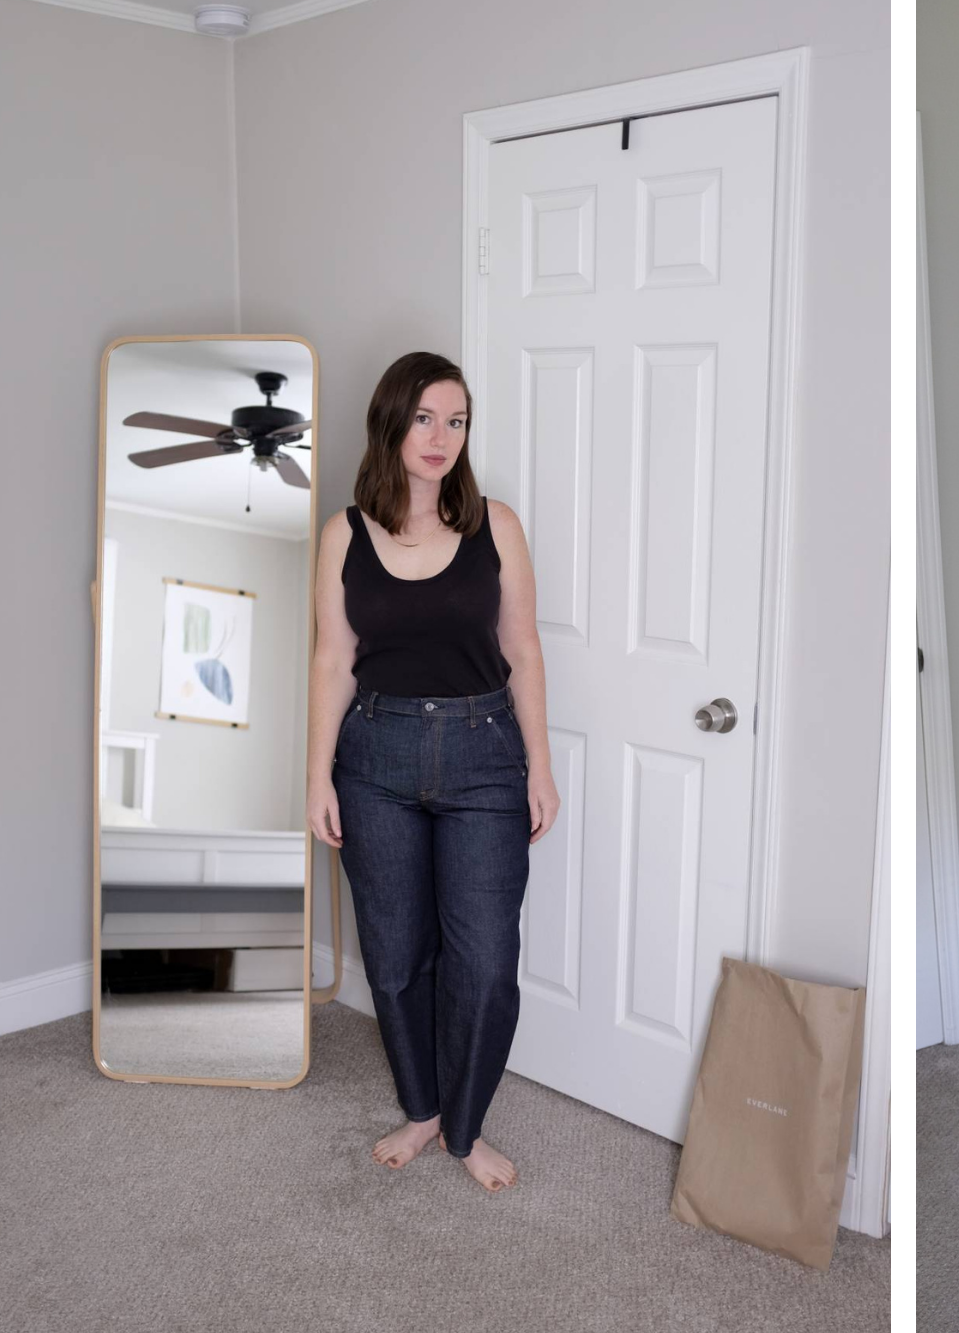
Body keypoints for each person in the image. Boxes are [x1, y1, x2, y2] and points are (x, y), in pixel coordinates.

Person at [306, 351, 561, 1193]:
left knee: (484, 959)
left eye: (457, 420)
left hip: (483, 752)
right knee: (394, 953)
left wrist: (539, 768)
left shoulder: (497, 524)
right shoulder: (344, 533)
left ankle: (465, 1124)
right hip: (372, 756)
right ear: (391, 421)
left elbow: (522, 649)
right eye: (425, 417)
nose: (441, 437)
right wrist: (316, 776)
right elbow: (332, 659)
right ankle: (422, 1109)